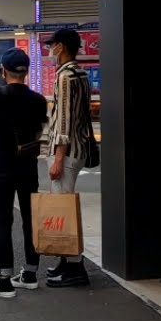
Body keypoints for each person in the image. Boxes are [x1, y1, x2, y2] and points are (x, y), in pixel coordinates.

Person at [0, 48, 49, 298]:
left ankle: (5, 279)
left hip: (3, 166)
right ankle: (30, 273)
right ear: (26, 72)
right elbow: (40, 130)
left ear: (3, 71)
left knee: (3, 221)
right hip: (28, 166)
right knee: (30, 220)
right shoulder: (38, 99)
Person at [44, 28, 94, 288]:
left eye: (52, 45)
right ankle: (66, 262)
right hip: (80, 147)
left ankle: (75, 267)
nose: (50, 50)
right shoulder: (82, 73)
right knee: (65, 208)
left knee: (64, 212)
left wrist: (57, 157)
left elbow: (63, 121)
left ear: (61, 47)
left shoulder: (64, 76)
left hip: (67, 151)